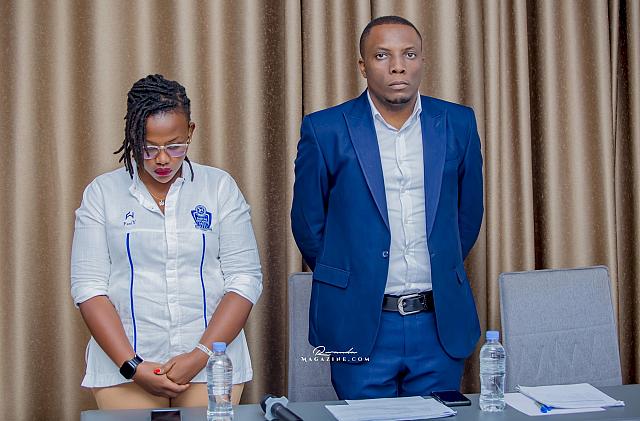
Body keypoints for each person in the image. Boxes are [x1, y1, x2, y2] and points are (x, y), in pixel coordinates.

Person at [291, 16, 484, 399]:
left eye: (409, 54)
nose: (398, 66)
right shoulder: (325, 129)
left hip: (438, 323)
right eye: (382, 55)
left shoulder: (458, 123)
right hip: (360, 320)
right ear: (363, 66)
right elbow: (308, 225)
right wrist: (351, 275)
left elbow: (468, 215)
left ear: (422, 60)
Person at [71, 74, 262, 409]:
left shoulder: (219, 187)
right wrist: (133, 366)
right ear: (131, 137)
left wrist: (199, 355)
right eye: (149, 147)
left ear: (190, 131)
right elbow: (89, 288)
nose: (162, 159)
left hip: (211, 365)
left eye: (175, 146)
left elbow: (244, 280)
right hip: (125, 368)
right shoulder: (102, 193)